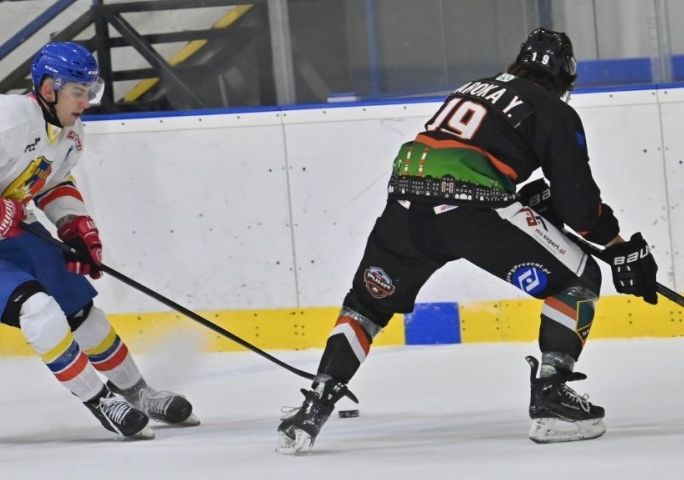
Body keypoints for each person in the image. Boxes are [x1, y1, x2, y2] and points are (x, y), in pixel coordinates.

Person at [276, 27, 659, 454]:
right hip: (473, 210)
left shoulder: (472, 88)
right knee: (579, 278)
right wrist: (619, 247)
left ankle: (314, 405)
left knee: (366, 305)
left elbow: (473, 149)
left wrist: (525, 201)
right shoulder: (553, 109)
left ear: (518, 62)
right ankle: (552, 400)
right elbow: (579, 206)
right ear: (566, 77)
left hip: (405, 203)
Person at [0, 41, 199, 439]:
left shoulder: (71, 133)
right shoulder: (9, 116)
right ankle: (101, 401)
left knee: (82, 310)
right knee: (40, 310)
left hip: (16, 236)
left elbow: (52, 181)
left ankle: (137, 392)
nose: (85, 102)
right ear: (49, 89)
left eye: (90, 91)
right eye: (78, 92)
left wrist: (74, 224)